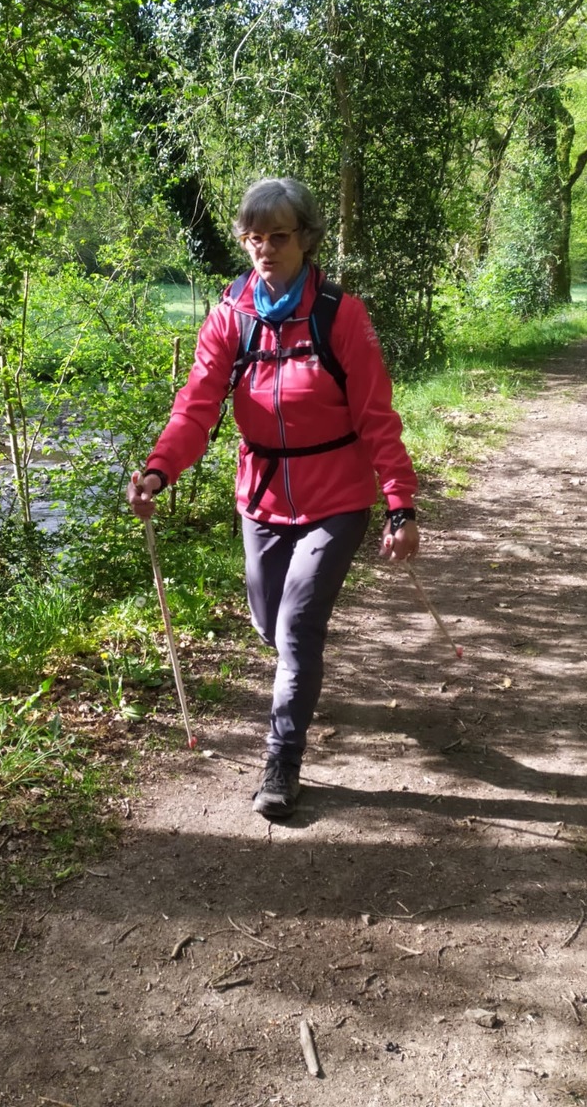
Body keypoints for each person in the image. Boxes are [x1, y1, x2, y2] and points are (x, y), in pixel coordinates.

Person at [127, 177, 419, 819]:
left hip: (336, 496)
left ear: (306, 238)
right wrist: (158, 471)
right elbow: (196, 408)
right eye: (253, 237)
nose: (265, 249)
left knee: (296, 627)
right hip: (260, 497)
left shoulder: (341, 315)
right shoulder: (230, 316)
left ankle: (282, 761)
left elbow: (376, 417)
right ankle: (298, 670)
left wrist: (399, 502)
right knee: (270, 624)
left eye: (279, 236)